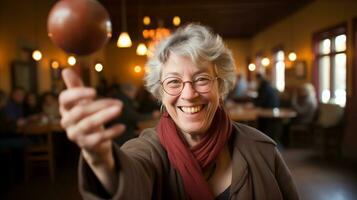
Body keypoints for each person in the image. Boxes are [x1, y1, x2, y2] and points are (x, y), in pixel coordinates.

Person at [59, 24, 298, 199]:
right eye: (173, 82)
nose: (189, 93)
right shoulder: (146, 150)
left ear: (221, 85)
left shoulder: (263, 149)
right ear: (160, 93)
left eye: (202, 79)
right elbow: (131, 183)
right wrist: (101, 160)